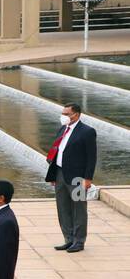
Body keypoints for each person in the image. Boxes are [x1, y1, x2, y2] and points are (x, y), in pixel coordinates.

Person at [46, 102, 97, 254]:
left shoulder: (87, 131)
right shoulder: (63, 128)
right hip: (60, 174)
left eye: (67, 114)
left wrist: (88, 178)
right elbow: (57, 152)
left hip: (77, 178)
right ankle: (68, 239)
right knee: (63, 208)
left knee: (79, 209)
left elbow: (91, 157)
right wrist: (54, 174)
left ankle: (79, 241)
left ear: (77, 114)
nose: (64, 116)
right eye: (63, 113)